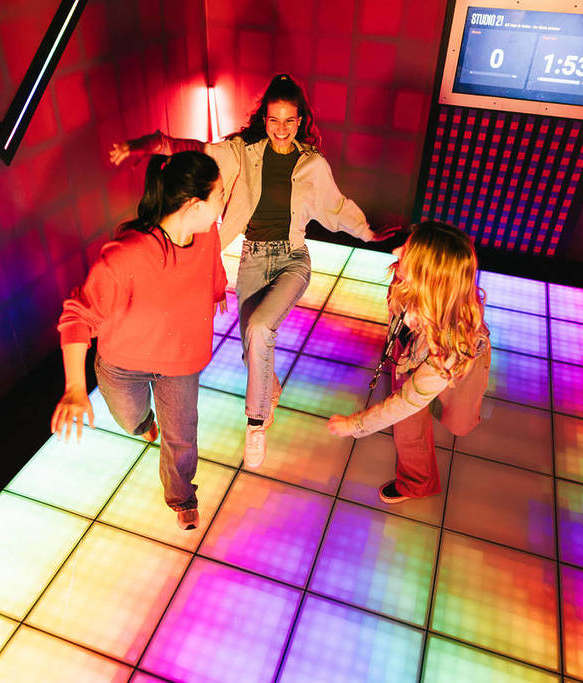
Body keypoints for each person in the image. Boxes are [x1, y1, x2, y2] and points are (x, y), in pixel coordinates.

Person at [110, 73, 395, 467]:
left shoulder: (312, 164)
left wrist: (368, 232)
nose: (281, 129)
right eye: (273, 120)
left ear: (300, 121)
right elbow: (201, 152)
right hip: (252, 260)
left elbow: (336, 208)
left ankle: (256, 423)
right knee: (252, 350)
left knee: (261, 329)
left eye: (289, 121)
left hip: (293, 259)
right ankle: (269, 387)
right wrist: (154, 144)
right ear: (264, 118)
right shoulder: (244, 152)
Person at [51, 150, 227, 531]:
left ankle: (182, 496)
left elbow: (213, 267)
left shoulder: (206, 232)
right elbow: (76, 316)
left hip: (180, 363)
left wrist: (217, 291)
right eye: (220, 195)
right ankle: (144, 421)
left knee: (182, 435)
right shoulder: (125, 256)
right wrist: (75, 389)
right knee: (131, 421)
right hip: (123, 364)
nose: (223, 203)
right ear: (195, 205)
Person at [327, 222, 491, 503]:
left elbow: (406, 400)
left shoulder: (451, 348)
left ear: (430, 276)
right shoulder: (406, 282)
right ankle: (418, 483)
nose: (395, 251)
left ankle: (417, 483)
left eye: (407, 252)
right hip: (411, 352)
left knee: (425, 413)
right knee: (408, 427)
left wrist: (356, 425)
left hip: (441, 363)